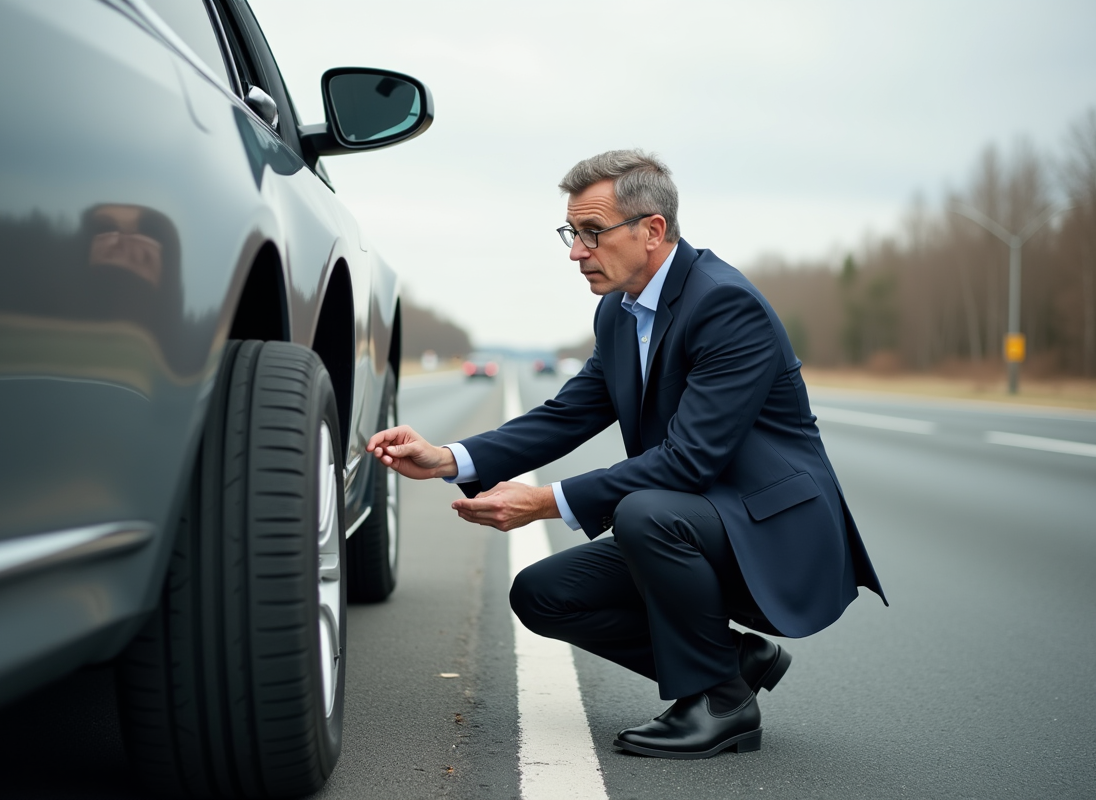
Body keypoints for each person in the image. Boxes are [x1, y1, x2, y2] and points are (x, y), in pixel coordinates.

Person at [366, 149, 886, 760]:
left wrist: (544, 502)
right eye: (571, 233)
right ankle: (735, 662)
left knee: (643, 511)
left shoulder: (723, 305)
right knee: (541, 595)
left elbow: (688, 460)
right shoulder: (618, 311)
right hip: (698, 520)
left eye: (592, 233)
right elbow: (570, 413)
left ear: (652, 231)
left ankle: (720, 702)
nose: (575, 251)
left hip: (774, 528)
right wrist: (449, 459)